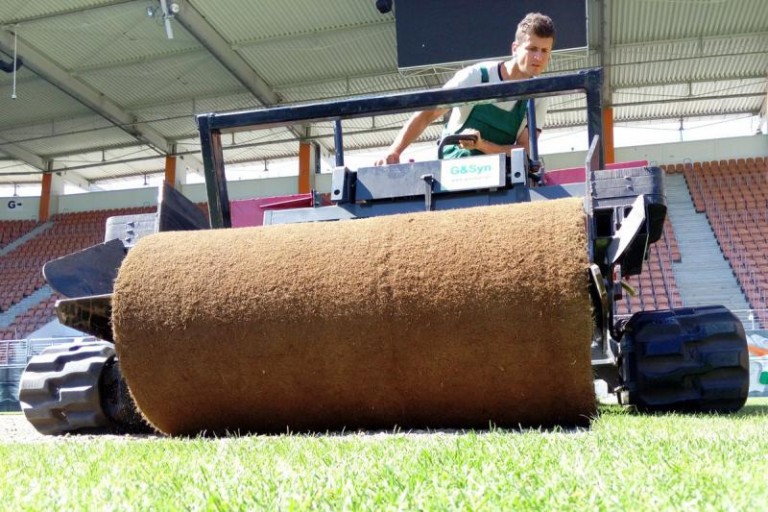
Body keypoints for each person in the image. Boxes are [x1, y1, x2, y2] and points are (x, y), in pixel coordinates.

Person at [376, 12, 555, 165]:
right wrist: (394, 151)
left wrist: (482, 145)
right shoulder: (477, 76)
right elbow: (428, 113)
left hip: (500, 176)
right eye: (532, 48)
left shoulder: (538, 95)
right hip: (453, 170)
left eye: (545, 51)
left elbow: (524, 150)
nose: (538, 57)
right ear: (515, 48)